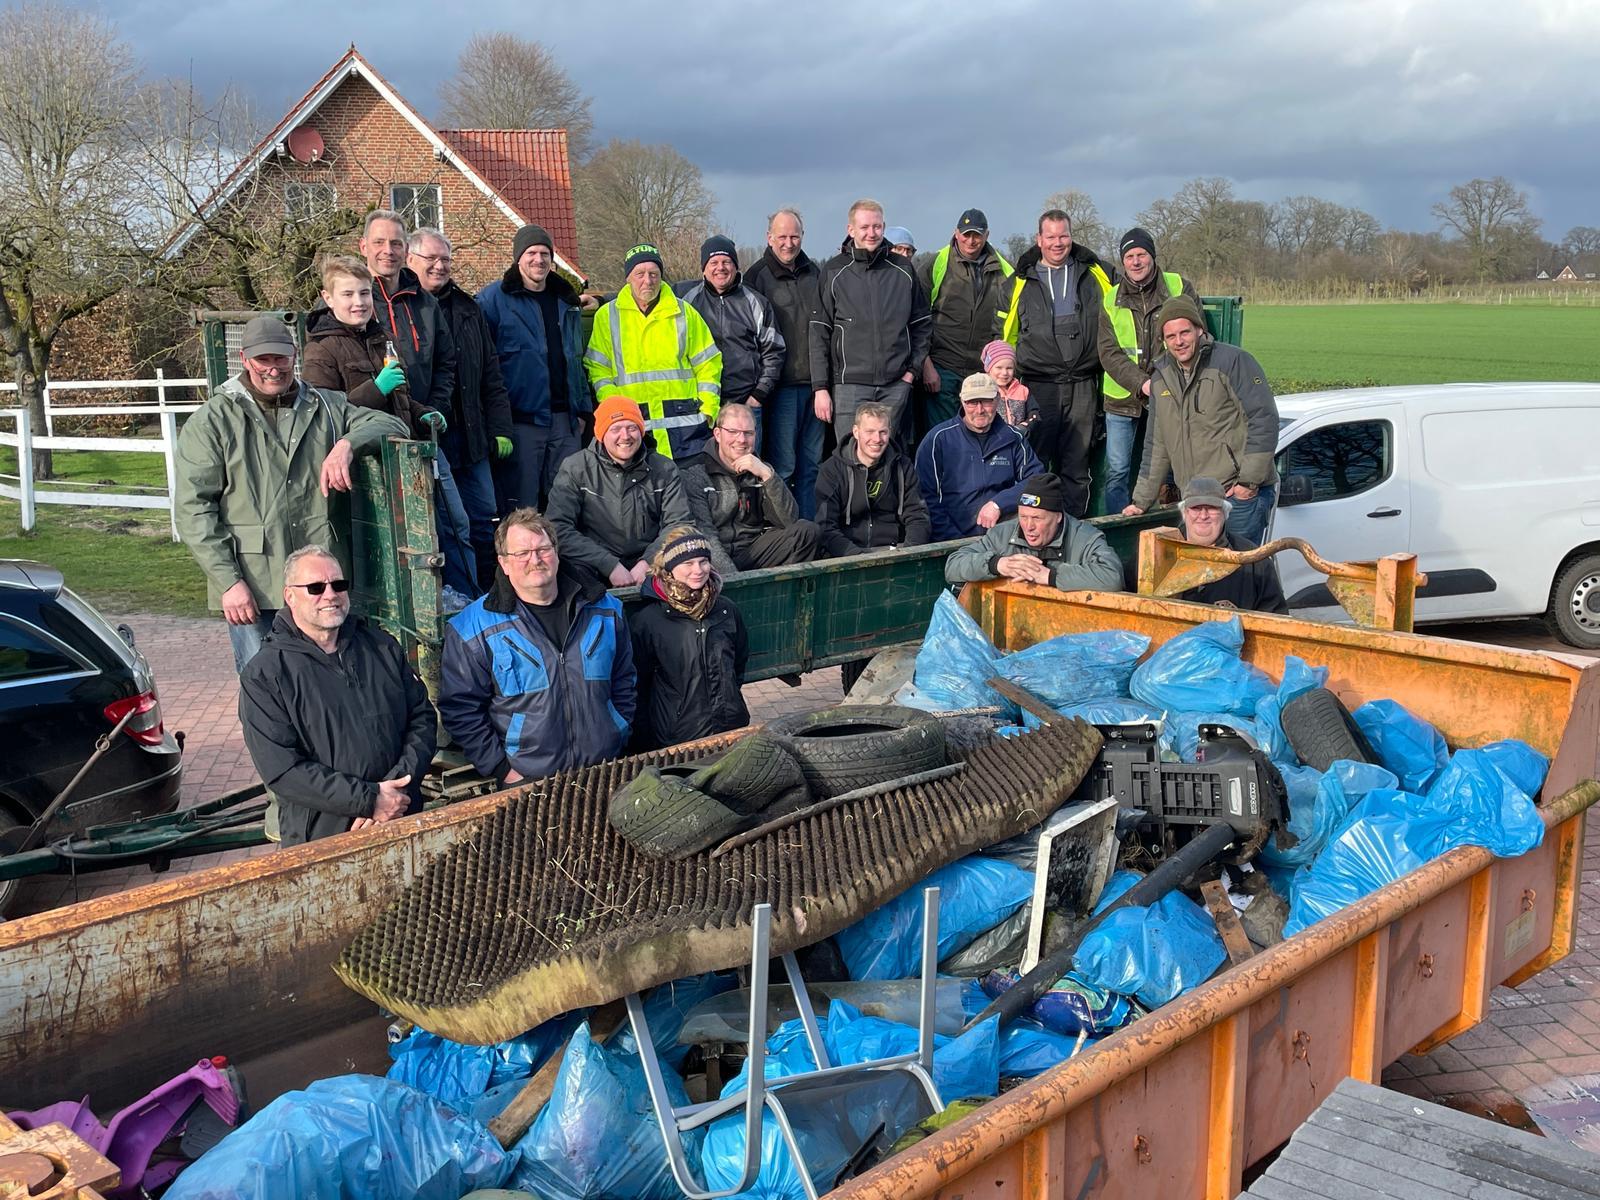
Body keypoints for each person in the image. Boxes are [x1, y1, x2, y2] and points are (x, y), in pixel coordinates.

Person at [175, 315, 407, 672]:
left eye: (280, 358)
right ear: (245, 359)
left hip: (323, 584)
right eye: (263, 359)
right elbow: (194, 509)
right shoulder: (214, 420)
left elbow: (391, 423)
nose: (273, 368)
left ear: (294, 355)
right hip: (256, 585)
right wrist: (228, 582)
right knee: (265, 687)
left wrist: (347, 444)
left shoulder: (327, 407)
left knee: (335, 683)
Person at [237, 544, 435, 846]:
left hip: (402, 816)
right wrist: (369, 801)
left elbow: (421, 718)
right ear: (290, 596)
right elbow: (283, 770)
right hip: (324, 837)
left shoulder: (382, 647)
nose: (330, 595)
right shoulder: (265, 674)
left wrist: (397, 791)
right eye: (315, 587)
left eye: (338, 584)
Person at [438, 511, 636, 784]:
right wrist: (502, 769)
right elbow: (460, 709)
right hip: (528, 782)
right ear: (504, 564)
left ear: (556, 552)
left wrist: (618, 729)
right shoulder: (473, 628)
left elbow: (624, 678)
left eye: (543, 549)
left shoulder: (605, 610)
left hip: (603, 770)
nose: (535, 559)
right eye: (522, 553)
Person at [357, 209, 476, 596]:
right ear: (364, 247)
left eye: (395, 243)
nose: (387, 251)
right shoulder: (356, 300)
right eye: (379, 242)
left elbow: (446, 362)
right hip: (376, 438)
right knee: (394, 532)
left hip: (425, 431)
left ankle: (463, 602)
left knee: (453, 523)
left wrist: (435, 407)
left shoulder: (424, 303)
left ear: (405, 250)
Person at [1122, 295, 1280, 546]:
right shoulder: (1161, 378)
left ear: (1199, 330)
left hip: (1234, 497)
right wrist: (1141, 501)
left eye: (1185, 332)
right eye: (1171, 336)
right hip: (1195, 502)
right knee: (1203, 578)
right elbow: (1157, 445)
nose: (1179, 341)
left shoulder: (1233, 362)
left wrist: (1247, 483)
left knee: (1239, 576)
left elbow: (1264, 419)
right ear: (1163, 341)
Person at [408, 228, 516, 586]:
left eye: (445, 260)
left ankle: (486, 590)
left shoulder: (469, 309)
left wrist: (500, 427)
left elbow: (491, 374)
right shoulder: (404, 310)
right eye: (431, 259)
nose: (440, 267)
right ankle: (452, 595)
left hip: (471, 437)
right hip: (430, 435)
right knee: (442, 524)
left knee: (485, 517)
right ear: (411, 260)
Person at [545, 395, 736, 586]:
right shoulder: (576, 468)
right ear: (601, 434)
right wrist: (608, 565)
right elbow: (558, 526)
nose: (625, 436)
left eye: (632, 427)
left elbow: (679, 523)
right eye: (615, 429)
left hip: (651, 563)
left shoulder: (664, 468)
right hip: (592, 564)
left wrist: (647, 562)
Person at [1002, 209, 1114, 516]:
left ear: (1071, 236)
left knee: (1076, 466)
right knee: (1035, 464)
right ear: (1038, 239)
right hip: (1039, 387)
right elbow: (1003, 337)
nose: (1057, 242)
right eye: (1050, 236)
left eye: (1063, 235)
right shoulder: (1018, 283)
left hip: (1082, 386)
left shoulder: (1097, 275)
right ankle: (1035, 530)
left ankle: (1073, 528)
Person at [477, 223, 595, 513]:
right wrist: (497, 422)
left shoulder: (565, 301)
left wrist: (581, 410)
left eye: (544, 253)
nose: (539, 259)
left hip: (565, 422)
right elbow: (482, 367)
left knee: (566, 504)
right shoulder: (491, 301)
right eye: (531, 252)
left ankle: (563, 559)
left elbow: (574, 359)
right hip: (521, 422)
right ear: (518, 258)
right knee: (522, 507)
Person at [584, 242, 722, 460]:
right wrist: (615, 409)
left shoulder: (684, 312)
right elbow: (598, 369)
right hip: (632, 429)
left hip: (686, 429)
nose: (647, 280)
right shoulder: (607, 316)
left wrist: (708, 410)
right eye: (640, 274)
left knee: (688, 492)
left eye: (653, 274)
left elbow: (709, 362)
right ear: (628, 277)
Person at [809, 199, 932, 441]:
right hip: (849, 385)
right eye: (864, 227)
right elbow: (819, 332)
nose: (871, 233)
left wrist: (911, 373)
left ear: (884, 227)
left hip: (895, 385)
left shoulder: (903, 269)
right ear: (851, 230)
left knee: (891, 455)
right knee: (849, 456)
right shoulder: (834, 272)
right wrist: (820, 387)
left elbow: (921, 324)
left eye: (876, 227)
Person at [1097, 227, 1200, 514]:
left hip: (1172, 392)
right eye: (1129, 256)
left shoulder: (1178, 287)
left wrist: (1164, 381)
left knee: (1172, 466)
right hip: (1122, 397)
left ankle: (1173, 525)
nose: (1136, 261)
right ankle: (1118, 531)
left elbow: (1195, 336)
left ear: (1152, 256)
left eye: (1141, 254)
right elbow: (1109, 352)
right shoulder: (1110, 298)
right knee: (1117, 471)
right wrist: (1142, 384)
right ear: (1122, 261)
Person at [627, 526, 750, 751]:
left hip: (730, 729)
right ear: (670, 568)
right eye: (688, 563)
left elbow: (738, 664)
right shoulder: (648, 621)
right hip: (678, 739)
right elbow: (639, 686)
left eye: (703, 561)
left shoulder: (726, 610)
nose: (698, 570)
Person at [743, 208, 826, 517]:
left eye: (794, 236)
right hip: (780, 389)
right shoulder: (756, 277)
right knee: (784, 466)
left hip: (816, 386)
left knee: (812, 464)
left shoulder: (815, 273)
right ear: (769, 238)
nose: (788, 243)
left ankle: (809, 528)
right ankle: (787, 530)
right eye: (782, 237)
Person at [676, 236, 785, 451]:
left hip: (745, 403)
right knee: (703, 469)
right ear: (704, 269)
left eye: (726, 262)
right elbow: (647, 291)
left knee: (747, 468)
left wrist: (758, 395)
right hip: (702, 404)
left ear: (736, 266)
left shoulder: (755, 302)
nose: (721, 268)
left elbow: (775, 351)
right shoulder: (686, 300)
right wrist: (602, 300)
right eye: (713, 263)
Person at [680, 404, 822, 569]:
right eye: (733, 432)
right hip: (713, 560)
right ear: (717, 434)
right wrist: (736, 580)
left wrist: (768, 475)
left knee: (808, 531)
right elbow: (705, 536)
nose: (741, 440)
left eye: (748, 433)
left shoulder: (760, 469)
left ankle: (780, 591)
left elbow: (789, 521)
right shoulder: (695, 473)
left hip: (754, 550)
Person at [918, 208, 1013, 434]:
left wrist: (998, 370)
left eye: (977, 235)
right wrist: (926, 366)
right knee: (941, 435)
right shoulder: (936, 264)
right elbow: (917, 320)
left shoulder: (1005, 272)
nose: (971, 240)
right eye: (966, 234)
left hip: (982, 371)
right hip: (942, 368)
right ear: (956, 233)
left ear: (987, 235)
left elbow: (1008, 326)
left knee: (980, 435)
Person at [915, 372, 1042, 541]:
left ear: (997, 399)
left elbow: (1036, 481)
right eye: (972, 402)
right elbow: (925, 497)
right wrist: (954, 541)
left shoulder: (1013, 437)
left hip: (1002, 535)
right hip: (950, 539)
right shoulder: (938, 439)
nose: (980, 410)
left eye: (986, 401)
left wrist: (998, 504)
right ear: (962, 401)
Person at [945, 472, 1124, 592]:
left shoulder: (1085, 538)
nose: (1028, 526)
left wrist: (1050, 576)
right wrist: (996, 564)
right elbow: (953, 567)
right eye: (1023, 516)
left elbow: (1113, 577)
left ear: (1058, 517)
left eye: (1037, 518)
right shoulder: (1002, 534)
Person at [814, 402, 930, 557]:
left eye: (883, 432)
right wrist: (858, 559)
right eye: (870, 431)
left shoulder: (903, 466)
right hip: (846, 555)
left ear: (890, 432)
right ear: (856, 431)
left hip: (894, 551)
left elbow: (918, 517)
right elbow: (825, 526)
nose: (877, 439)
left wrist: (908, 554)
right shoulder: (832, 469)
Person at [1171, 477, 1288, 613]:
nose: (1203, 516)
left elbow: (1276, 618)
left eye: (1212, 508)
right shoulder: (1159, 551)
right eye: (1196, 508)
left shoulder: (1254, 561)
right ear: (1185, 512)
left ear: (1225, 513)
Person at [981, 340, 1037, 434]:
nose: (1004, 373)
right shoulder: (982, 391)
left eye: (1009, 368)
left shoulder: (1023, 391)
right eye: (999, 368)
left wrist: (1024, 428)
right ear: (988, 369)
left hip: (1018, 440)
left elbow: (1034, 414)